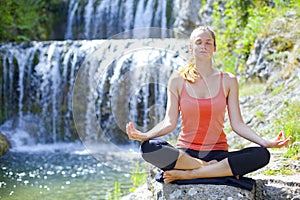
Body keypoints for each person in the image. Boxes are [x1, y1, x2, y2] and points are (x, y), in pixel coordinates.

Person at [126, 26, 291, 184]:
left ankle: (189, 176)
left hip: (218, 154)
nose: (203, 46)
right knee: (149, 147)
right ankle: (206, 169)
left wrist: (265, 142)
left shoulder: (228, 80)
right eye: (198, 42)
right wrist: (146, 135)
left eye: (208, 43)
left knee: (262, 154)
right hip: (186, 156)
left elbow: (237, 124)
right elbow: (170, 122)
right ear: (191, 48)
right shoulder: (177, 80)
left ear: (214, 48)